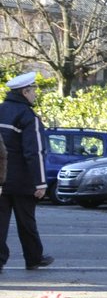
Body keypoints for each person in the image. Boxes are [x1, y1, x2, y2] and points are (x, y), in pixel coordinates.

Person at [0, 71, 54, 271]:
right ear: (24, 92)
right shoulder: (27, 116)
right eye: (32, 91)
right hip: (22, 180)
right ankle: (33, 258)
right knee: (26, 222)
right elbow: (35, 152)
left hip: (0, 178)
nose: (34, 95)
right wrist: (40, 183)